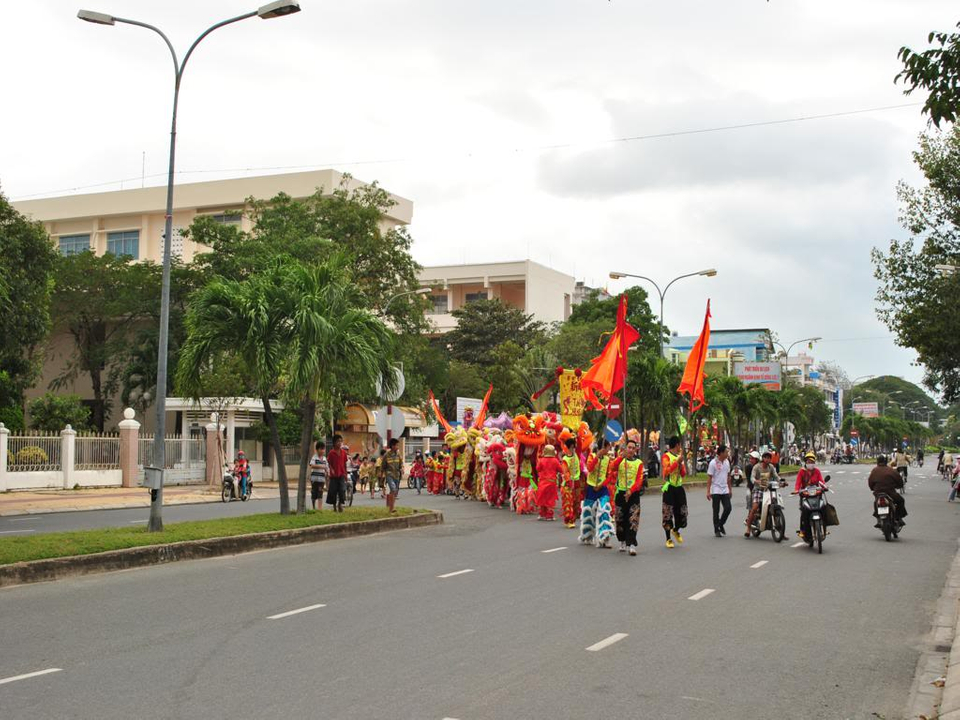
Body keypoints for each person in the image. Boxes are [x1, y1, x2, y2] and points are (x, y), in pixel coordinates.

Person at [580, 440, 615, 548]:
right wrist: (597, 457)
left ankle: (605, 537)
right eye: (608, 447)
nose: (609, 450)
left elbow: (609, 476)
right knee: (588, 513)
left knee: (604, 511)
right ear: (603, 448)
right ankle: (587, 535)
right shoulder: (592, 456)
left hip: (602, 488)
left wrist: (600, 485)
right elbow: (589, 468)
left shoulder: (608, 460)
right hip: (591, 487)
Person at [613, 439, 644, 555]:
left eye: (633, 448)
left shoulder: (639, 463)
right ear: (625, 448)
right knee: (620, 519)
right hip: (621, 493)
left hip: (633, 495)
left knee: (633, 519)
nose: (630, 450)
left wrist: (631, 491)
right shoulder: (620, 461)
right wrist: (621, 457)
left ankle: (631, 544)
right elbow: (612, 467)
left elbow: (639, 480)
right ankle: (622, 541)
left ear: (636, 450)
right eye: (629, 447)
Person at [792, 451, 827, 541]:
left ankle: (824, 527)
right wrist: (797, 490)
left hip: (817, 495)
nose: (810, 464)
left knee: (823, 508)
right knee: (804, 513)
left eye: (812, 462)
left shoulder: (817, 471)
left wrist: (824, 487)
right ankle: (803, 531)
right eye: (808, 462)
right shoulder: (801, 472)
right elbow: (798, 483)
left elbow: (821, 481)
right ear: (805, 463)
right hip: (805, 496)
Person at [745, 451, 780, 538]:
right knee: (754, 508)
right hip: (758, 490)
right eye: (766, 457)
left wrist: (781, 481)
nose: (767, 459)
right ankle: (748, 528)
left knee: (776, 504)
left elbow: (776, 476)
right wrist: (757, 481)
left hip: (768, 489)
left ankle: (781, 530)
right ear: (763, 458)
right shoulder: (756, 467)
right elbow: (752, 478)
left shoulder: (771, 467)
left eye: (769, 458)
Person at [661, 436, 687, 548]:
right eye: (679, 444)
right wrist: (677, 462)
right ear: (677, 445)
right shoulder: (666, 456)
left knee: (683, 513)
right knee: (668, 513)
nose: (680, 447)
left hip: (679, 488)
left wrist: (681, 464)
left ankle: (676, 530)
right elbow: (666, 471)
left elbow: (683, 474)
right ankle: (668, 539)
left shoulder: (679, 457)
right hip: (670, 487)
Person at [868, 455, 907, 524]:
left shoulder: (874, 470)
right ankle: (898, 517)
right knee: (901, 501)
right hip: (890, 493)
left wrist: (873, 488)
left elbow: (870, 482)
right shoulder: (891, 470)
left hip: (878, 493)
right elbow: (899, 480)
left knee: (876, 503)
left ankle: (878, 519)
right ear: (886, 462)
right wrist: (899, 486)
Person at [706, 443, 732, 537]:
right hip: (716, 489)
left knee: (728, 508)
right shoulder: (713, 463)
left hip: (725, 489)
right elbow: (709, 478)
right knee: (716, 510)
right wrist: (708, 491)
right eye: (726, 452)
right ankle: (716, 529)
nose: (727, 453)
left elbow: (728, 476)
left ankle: (721, 524)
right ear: (721, 453)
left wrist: (730, 489)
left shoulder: (727, 462)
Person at [536, 444, 562, 521]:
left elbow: (538, 469)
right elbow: (560, 470)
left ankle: (542, 514)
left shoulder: (541, 460)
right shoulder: (555, 460)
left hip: (542, 481)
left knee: (542, 498)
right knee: (550, 499)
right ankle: (549, 515)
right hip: (552, 482)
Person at [560, 438, 581, 528]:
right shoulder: (565, 459)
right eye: (572, 447)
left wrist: (578, 435)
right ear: (569, 447)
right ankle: (568, 520)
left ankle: (573, 518)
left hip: (576, 481)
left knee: (576, 502)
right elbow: (565, 472)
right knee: (568, 502)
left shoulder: (576, 455)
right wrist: (568, 481)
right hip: (568, 484)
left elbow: (580, 445)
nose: (573, 449)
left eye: (574, 447)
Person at [326, 434, 348, 512]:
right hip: (334, 475)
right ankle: (334, 506)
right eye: (337, 441)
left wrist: (346, 473)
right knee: (333, 491)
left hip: (341, 474)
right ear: (334, 443)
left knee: (342, 490)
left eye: (340, 441)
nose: (339, 443)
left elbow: (345, 463)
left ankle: (340, 504)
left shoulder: (343, 453)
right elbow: (329, 463)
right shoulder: (331, 453)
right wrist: (331, 470)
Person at [382, 438, 403, 513]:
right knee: (393, 489)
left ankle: (391, 507)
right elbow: (383, 466)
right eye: (396, 445)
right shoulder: (386, 455)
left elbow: (401, 463)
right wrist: (382, 476)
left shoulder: (398, 454)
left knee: (394, 491)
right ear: (392, 446)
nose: (397, 447)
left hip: (397, 475)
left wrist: (401, 469)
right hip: (389, 474)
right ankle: (392, 508)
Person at [308, 441, 328, 510]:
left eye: (323, 449)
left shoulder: (325, 459)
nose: (322, 451)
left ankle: (320, 508)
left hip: (321, 479)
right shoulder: (314, 457)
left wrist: (327, 472)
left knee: (320, 493)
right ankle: (313, 507)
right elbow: (312, 465)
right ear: (317, 450)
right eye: (321, 449)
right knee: (314, 493)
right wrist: (322, 467)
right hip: (314, 479)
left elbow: (327, 467)